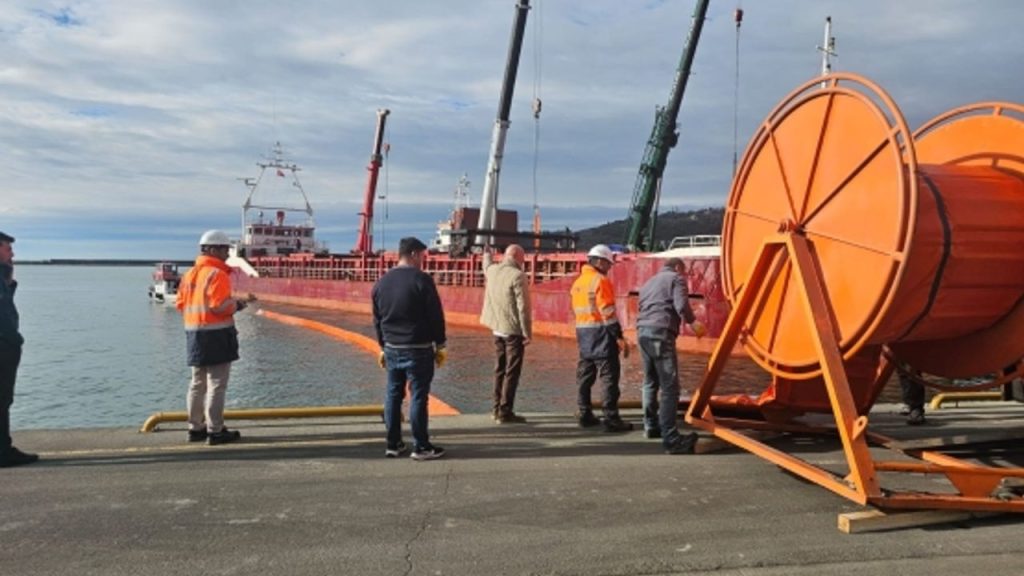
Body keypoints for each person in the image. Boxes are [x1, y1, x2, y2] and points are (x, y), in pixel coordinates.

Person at [176, 229, 255, 446]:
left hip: (193, 334)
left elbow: (180, 305)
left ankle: (195, 428)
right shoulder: (217, 274)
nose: (227, 254)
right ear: (211, 249)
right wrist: (239, 303)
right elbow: (219, 306)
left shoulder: (190, 274)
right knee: (217, 384)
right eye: (224, 249)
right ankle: (216, 431)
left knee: (197, 383)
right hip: (217, 334)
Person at [373, 237, 447, 460]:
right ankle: (421, 447)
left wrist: (382, 346)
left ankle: (393, 443)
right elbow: (435, 315)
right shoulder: (422, 280)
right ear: (414, 254)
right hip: (419, 348)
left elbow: (377, 319)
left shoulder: (381, 283)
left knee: (393, 394)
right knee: (418, 396)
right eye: (423, 255)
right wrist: (440, 343)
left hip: (392, 347)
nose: (424, 260)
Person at [636, 258, 706, 454]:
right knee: (670, 387)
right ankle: (671, 438)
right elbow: (681, 304)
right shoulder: (676, 278)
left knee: (650, 381)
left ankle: (651, 427)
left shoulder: (649, 282)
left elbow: (641, 307)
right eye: (683, 272)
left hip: (642, 332)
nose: (683, 276)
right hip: (661, 332)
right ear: (677, 268)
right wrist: (693, 322)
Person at [571, 244, 633, 433]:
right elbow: (608, 313)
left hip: (584, 335)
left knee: (585, 376)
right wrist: (619, 337)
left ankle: (584, 414)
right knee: (609, 377)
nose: (610, 267)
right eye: (608, 263)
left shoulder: (578, 282)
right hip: (602, 335)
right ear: (598, 261)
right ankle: (611, 418)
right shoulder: (600, 281)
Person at [480, 244, 532, 424]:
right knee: (512, 372)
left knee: (499, 369)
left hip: (496, 329)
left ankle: (495, 409)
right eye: (523, 258)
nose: (524, 262)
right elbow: (523, 308)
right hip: (512, 331)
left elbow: (485, 266)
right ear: (518, 257)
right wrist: (527, 333)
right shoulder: (518, 276)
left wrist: (486, 254)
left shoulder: (493, 270)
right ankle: (505, 412)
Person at [0, 231, 39, 468]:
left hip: (7, 343)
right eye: (7, 248)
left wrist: (9, 280)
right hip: (3, 345)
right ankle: (3, 452)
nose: (12, 253)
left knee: (4, 400)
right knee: (2, 399)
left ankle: (3, 447)